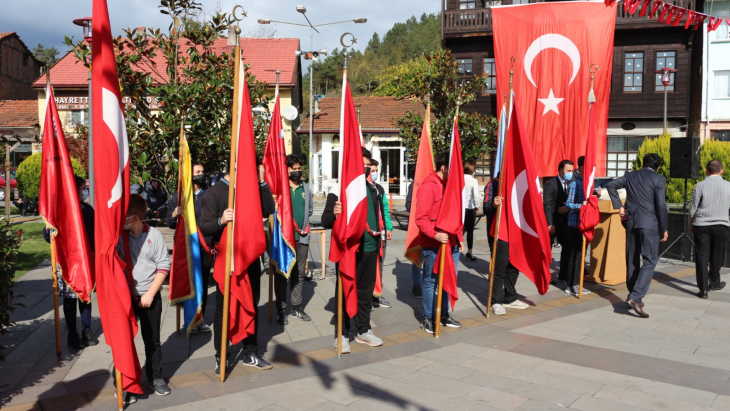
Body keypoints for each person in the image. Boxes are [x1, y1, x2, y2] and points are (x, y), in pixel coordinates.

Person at [199, 167, 276, 373]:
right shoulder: (214, 192)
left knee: (251, 305)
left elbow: (269, 209)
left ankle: (251, 352)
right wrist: (221, 221)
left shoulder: (250, 190)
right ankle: (221, 355)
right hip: (228, 261)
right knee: (223, 309)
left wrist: (261, 181)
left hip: (250, 258)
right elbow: (205, 226)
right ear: (236, 167)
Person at [321, 147, 384, 353]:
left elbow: (378, 216)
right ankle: (342, 334)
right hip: (350, 250)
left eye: (368, 165)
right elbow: (326, 220)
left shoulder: (374, 188)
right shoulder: (340, 188)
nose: (366, 169)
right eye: (362, 165)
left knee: (365, 294)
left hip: (370, 247)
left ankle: (363, 330)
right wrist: (335, 213)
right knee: (345, 290)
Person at [116, 194, 172, 396]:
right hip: (126, 297)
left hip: (150, 296)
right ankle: (126, 380)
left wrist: (149, 294)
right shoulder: (119, 237)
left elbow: (163, 267)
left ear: (135, 219)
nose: (121, 222)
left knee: (152, 340)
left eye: (124, 218)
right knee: (124, 339)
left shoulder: (154, 236)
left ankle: (155, 376)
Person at [607, 153, 668, 318]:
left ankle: (632, 294)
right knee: (650, 260)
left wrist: (619, 206)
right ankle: (636, 297)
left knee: (632, 258)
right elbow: (661, 205)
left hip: (631, 222)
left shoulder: (630, 176)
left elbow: (611, 185)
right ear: (658, 167)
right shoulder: (658, 179)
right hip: (650, 224)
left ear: (642, 163)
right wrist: (664, 227)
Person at [43, 176, 98, 349]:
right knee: (69, 298)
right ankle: (72, 334)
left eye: (85, 189)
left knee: (85, 297)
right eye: (82, 189)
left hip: (85, 260)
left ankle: (87, 330)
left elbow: (94, 232)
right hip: (67, 262)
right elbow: (48, 236)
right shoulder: (61, 210)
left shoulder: (88, 210)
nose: (85, 192)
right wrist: (48, 229)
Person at [415, 151, 463, 333]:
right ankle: (428, 317)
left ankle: (443, 314)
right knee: (430, 281)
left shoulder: (449, 186)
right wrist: (435, 235)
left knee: (448, 279)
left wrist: (460, 237)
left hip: (452, 243)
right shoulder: (429, 186)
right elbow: (421, 219)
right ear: (444, 168)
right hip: (433, 243)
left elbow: (454, 214)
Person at [166, 160, 212, 333]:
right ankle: (189, 321)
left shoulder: (209, 194)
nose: (200, 174)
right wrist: (174, 214)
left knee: (203, 284)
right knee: (188, 283)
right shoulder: (179, 195)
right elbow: (170, 223)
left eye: (202, 171)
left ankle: (201, 319)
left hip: (204, 247)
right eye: (197, 171)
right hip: (186, 247)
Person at [274, 155, 314, 324]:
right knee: (283, 273)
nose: (297, 172)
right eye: (294, 169)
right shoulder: (281, 190)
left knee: (300, 273)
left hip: (302, 238)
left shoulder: (306, 188)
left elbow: (310, 210)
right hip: (285, 239)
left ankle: (296, 306)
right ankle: (281, 309)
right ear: (287, 170)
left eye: (299, 168)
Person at [483, 175, 529, 315]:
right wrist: (493, 204)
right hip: (498, 234)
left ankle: (510, 297)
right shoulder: (493, 185)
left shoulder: (516, 185)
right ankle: (496, 301)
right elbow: (485, 208)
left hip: (514, 233)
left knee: (514, 266)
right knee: (499, 267)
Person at [689, 159, 730, 298]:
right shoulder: (728, 186)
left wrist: (691, 225)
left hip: (702, 225)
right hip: (721, 224)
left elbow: (692, 208)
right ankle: (715, 282)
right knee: (717, 254)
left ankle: (703, 289)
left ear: (706, 170)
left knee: (702, 255)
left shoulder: (699, 186)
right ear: (722, 171)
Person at [543, 160, 574, 285]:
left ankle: (564, 274)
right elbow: (547, 205)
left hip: (566, 222)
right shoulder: (551, 184)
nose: (571, 173)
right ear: (561, 171)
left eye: (572, 171)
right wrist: (549, 223)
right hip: (553, 222)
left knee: (567, 247)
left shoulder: (572, 183)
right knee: (547, 249)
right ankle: (546, 276)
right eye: (569, 171)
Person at [369, 159, 393, 309]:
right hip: (369, 234)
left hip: (381, 234)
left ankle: (377, 294)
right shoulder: (363, 188)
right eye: (372, 171)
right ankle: (367, 296)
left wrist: (388, 228)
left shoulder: (380, 189)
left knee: (380, 265)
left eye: (376, 170)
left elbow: (385, 209)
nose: (375, 173)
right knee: (368, 266)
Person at [564, 169, 591, 296]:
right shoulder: (575, 183)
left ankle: (578, 283)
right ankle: (571, 284)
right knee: (575, 256)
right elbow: (568, 204)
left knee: (581, 256)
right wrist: (581, 206)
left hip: (585, 225)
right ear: (581, 167)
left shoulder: (588, 184)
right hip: (575, 225)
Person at [405, 181, 422, 298]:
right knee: (417, 257)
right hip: (419, 227)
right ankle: (416, 285)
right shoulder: (415, 183)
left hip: (434, 229)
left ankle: (429, 285)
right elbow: (408, 204)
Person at [463, 161, 480, 261]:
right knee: (470, 231)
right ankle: (469, 252)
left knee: (461, 229)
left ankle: (456, 247)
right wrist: (477, 205)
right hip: (470, 207)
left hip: (462, 207)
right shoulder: (474, 181)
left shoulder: (460, 178)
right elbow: (476, 195)